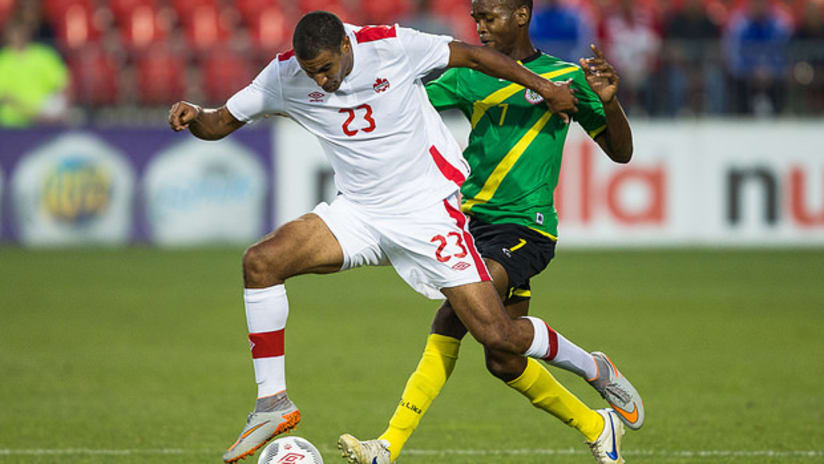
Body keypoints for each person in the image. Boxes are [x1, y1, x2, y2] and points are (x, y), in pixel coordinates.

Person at [168, 10, 581, 464]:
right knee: (261, 262)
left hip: (429, 213)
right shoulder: (284, 75)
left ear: (347, 47)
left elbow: (472, 56)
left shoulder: (390, 45)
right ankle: (273, 404)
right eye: (311, 73)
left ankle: (592, 366)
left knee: (497, 336)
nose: (320, 81)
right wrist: (195, 116)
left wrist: (545, 88)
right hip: (360, 214)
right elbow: (221, 122)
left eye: (326, 68)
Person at [336, 1, 643, 463]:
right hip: (470, 220)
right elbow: (404, 109)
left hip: (526, 224)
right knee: (502, 356)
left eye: (488, 17)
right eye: (475, 18)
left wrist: (610, 103)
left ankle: (387, 447)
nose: (478, 27)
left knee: (452, 315)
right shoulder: (467, 75)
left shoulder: (566, 77)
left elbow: (620, 153)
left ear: (521, 15)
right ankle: (599, 425)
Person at [0, 19, 68, 127]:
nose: (18, 37)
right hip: (11, 125)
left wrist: (59, 110)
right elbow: (4, 97)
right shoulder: (3, 60)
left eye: (22, 33)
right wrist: (34, 114)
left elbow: (63, 84)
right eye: (15, 33)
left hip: (46, 123)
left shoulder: (45, 55)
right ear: (8, 35)